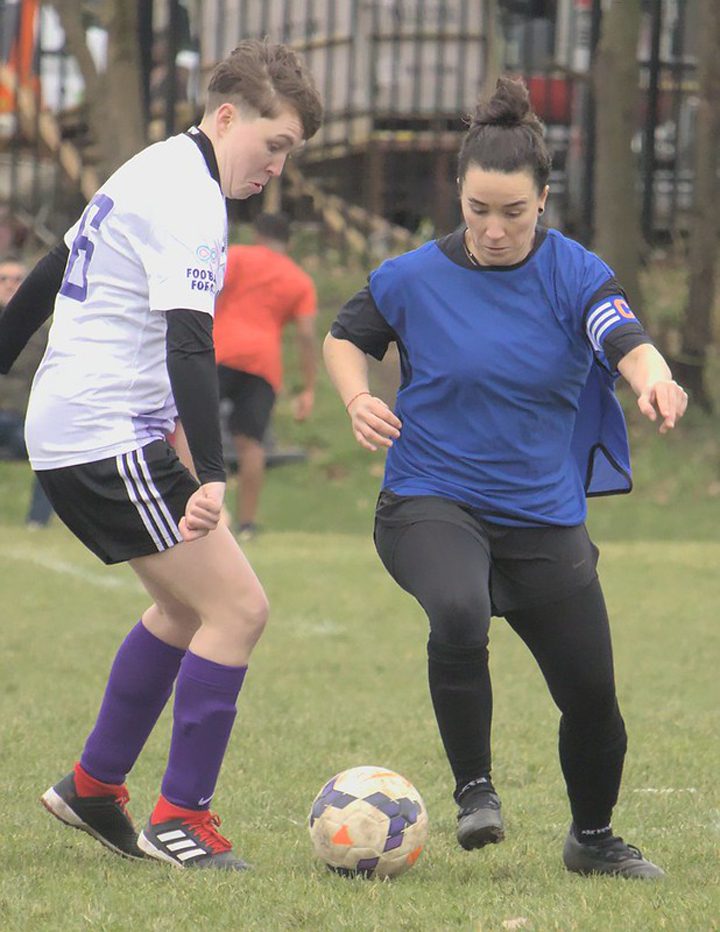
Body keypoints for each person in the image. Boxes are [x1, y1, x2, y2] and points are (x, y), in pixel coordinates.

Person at [323, 76, 687, 880]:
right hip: (429, 498)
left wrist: (653, 379)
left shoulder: (574, 273)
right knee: (459, 609)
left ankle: (592, 839)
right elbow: (345, 337)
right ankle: (475, 791)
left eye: (514, 212)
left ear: (543, 201)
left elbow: (622, 336)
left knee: (592, 696)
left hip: (542, 515)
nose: (493, 229)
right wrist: (356, 398)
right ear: (459, 193)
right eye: (478, 209)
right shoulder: (412, 276)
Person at [0, 39, 322, 870]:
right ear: (227, 116)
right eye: (274, 144)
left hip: (85, 430)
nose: (277, 167)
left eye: (289, 151)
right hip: (104, 434)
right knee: (238, 611)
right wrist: (211, 472)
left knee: (185, 610)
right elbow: (189, 343)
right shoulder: (191, 198)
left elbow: (53, 267)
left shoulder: (155, 164)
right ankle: (181, 818)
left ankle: (92, 786)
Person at [213, 211, 317, 539]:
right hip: (263, 364)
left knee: (186, 426)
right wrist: (308, 388)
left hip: (219, 350)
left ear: (257, 235)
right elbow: (306, 336)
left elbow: (207, 292)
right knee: (251, 443)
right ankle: (246, 524)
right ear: (289, 243)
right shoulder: (300, 280)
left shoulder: (237, 257)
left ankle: (209, 508)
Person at [0, 254, 54, 527]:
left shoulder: (44, 331)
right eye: (4, 279)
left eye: (17, 279)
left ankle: (37, 523)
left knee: (52, 450)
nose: (10, 284)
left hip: (21, 420)